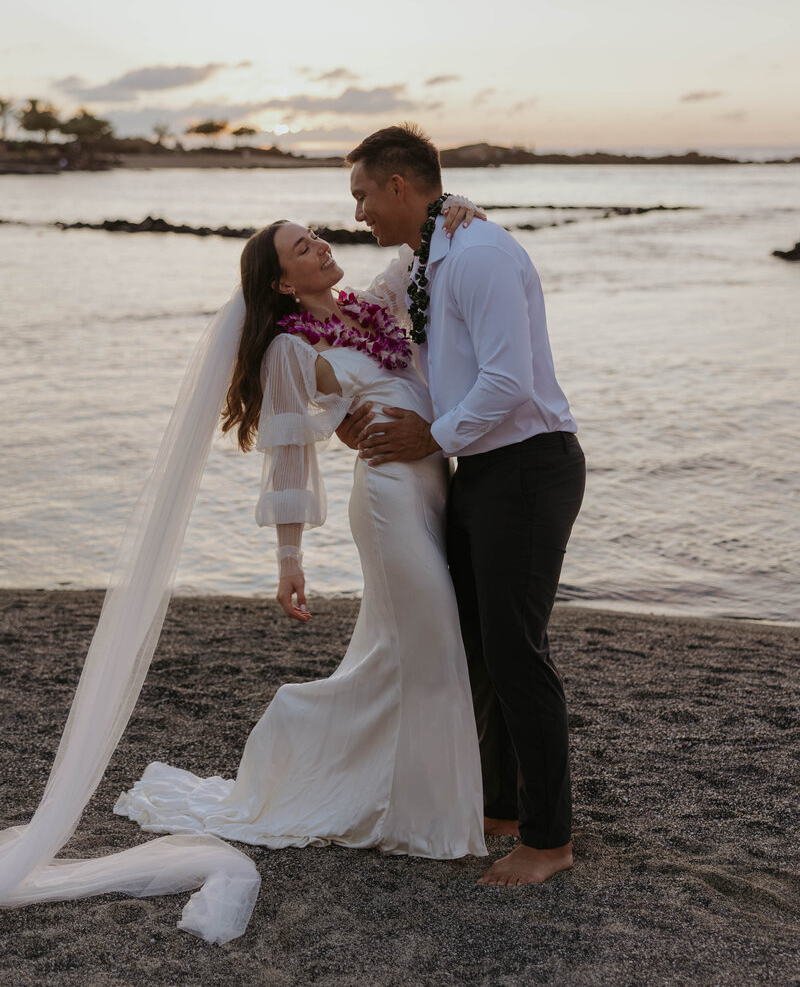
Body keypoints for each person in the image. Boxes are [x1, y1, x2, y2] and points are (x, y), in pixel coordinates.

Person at [0, 202, 485, 945]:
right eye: (302, 245)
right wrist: (289, 561)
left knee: (402, 651)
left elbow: (411, 262)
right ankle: (432, 821)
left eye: (317, 234)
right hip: (388, 499)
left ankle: (408, 792)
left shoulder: (365, 310)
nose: (321, 244)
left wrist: (447, 211)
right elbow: (288, 452)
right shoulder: (291, 348)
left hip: (432, 486)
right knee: (434, 645)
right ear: (282, 282)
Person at [342, 123, 586, 887]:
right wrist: (355, 406)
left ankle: (550, 839)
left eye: (361, 196)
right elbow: (368, 329)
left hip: (529, 468)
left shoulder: (479, 254)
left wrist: (430, 437)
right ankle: (506, 804)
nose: (357, 214)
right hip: (480, 470)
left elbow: (509, 380)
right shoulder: (428, 257)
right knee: (479, 644)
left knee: (517, 650)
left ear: (400, 187)